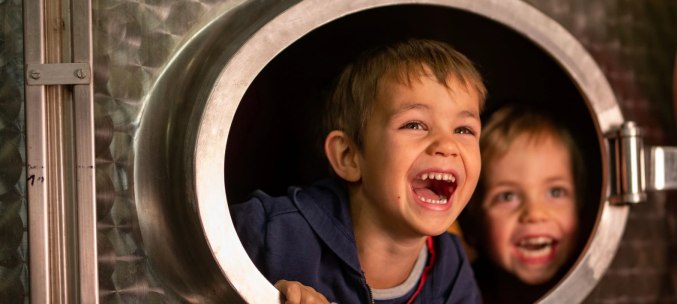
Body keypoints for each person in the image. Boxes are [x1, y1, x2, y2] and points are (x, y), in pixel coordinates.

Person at [230, 39, 486, 303]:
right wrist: (256, 292)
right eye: (415, 125)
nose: (447, 145)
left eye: (464, 130)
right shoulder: (271, 231)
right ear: (349, 157)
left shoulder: (450, 265)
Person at [460, 105, 584, 303]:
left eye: (555, 192)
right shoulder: (459, 291)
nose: (535, 213)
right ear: (473, 222)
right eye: (508, 196)